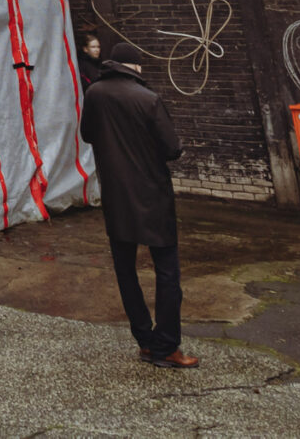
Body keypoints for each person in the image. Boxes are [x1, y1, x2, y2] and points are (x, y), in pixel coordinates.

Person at [78, 40, 198, 368]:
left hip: (116, 197)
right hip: (152, 197)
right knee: (167, 272)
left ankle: (145, 341)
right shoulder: (148, 99)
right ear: (136, 67)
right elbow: (171, 149)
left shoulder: (94, 94)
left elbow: (87, 134)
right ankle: (168, 347)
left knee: (126, 271)